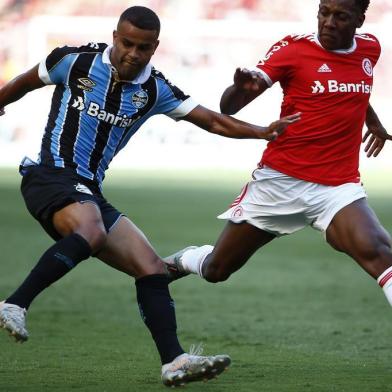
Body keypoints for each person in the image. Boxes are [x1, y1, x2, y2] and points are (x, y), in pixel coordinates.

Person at [0, 5, 300, 388]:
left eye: (142, 48)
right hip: (50, 175)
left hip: (89, 190)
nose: (132, 54)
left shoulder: (154, 89)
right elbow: (25, 81)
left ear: (154, 48)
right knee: (91, 231)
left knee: (152, 268)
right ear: (115, 36)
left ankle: (173, 362)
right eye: (127, 43)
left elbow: (211, 119)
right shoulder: (73, 61)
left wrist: (261, 131)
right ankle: (15, 303)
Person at [164, 0, 392, 312]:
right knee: (218, 269)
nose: (328, 22)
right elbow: (229, 108)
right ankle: (184, 258)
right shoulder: (293, 50)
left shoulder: (369, 49)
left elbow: (352, 90)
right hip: (280, 182)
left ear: (360, 20)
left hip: (337, 188)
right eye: (323, 12)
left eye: (340, 16)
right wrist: (239, 89)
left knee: (381, 252)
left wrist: (373, 120)